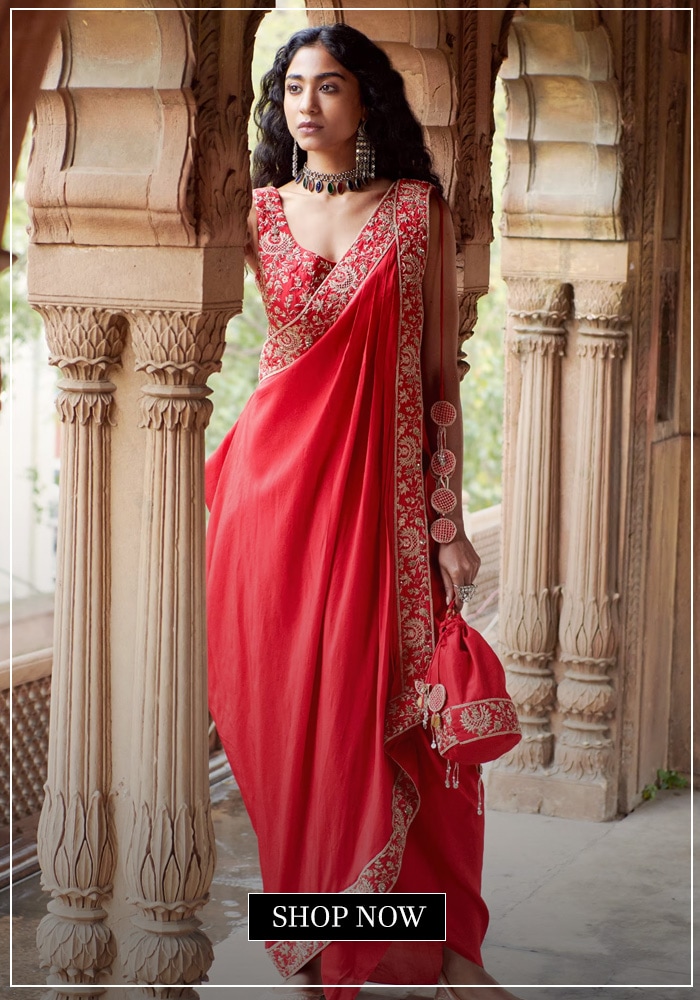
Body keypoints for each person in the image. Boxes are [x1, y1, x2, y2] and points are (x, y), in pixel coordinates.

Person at [206, 23, 513, 1000]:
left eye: (328, 85)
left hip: (381, 514)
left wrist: (448, 524)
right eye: (292, 86)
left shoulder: (417, 211)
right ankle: (319, 957)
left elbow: (436, 381)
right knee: (289, 740)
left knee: (415, 725)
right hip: (265, 514)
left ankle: (456, 956)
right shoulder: (255, 209)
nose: (307, 102)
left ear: (365, 99)